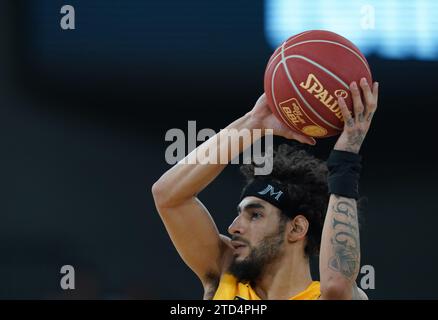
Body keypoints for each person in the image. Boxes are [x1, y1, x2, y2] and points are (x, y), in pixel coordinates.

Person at [152, 78, 378, 300]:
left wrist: (346, 159)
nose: (233, 228)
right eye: (240, 214)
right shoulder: (225, 272)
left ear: (297, 228)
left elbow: (337, 286)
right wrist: (253, 123)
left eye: (255, 215)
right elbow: (168, 196)